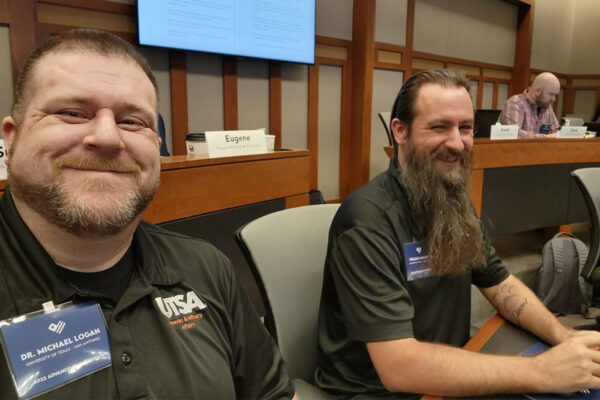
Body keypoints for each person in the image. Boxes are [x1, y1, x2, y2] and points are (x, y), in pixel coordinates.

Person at [0, 29, 294, 399]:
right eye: (72, 113)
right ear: (11, 138)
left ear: (156, 147)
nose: (108, 137)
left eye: (131, 121)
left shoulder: (205, 266)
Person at [315, 69, 600, 399]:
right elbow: (399, 367)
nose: (457, 142)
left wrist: (562, 335)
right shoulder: (366, 221)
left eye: (465, 127)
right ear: (400, 131)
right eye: (439, 127)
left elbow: (499, 281)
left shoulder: (450, 198)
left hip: (448, 371)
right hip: (382, 391)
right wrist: (542, 371)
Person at [500, 72, 561, 138]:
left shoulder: (546, 106)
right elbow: (513, 133)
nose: (554, 99)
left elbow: (556, 132)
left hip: (543, 148)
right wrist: (546, 137)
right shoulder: (515, 103)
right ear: (537, 91)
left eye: (555, 95)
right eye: (551, 94)